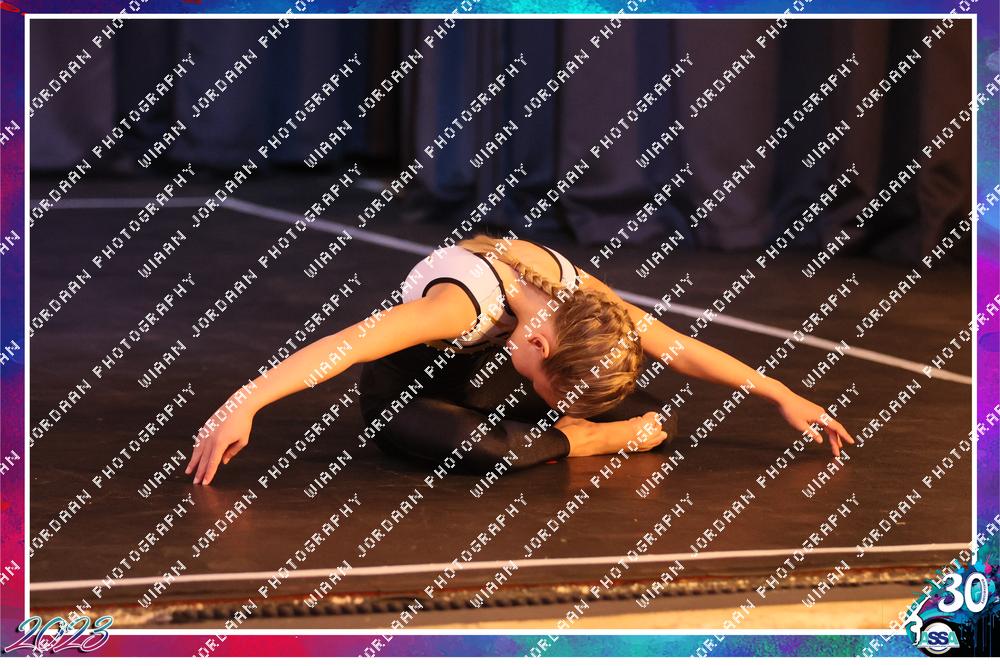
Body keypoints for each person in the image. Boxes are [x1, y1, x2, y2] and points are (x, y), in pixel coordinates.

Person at [185, 233, 854, 485]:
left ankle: (567, 432)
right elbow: (343, 347)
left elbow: (678, 351)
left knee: (662, 414)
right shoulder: (457, 307)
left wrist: (782, 394)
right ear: (537, 347)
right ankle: (580, 440)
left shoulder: (578, 301)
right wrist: (245, 404)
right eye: (558, 394)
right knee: (490, 451)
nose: (557, 400)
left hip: (493, 386)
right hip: (414, 399)